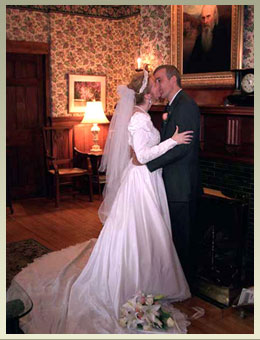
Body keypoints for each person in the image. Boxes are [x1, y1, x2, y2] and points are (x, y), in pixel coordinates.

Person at [7, 71, 193, 334]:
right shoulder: (138, 120)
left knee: (147, 235)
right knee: (143, 234)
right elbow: (140, 157)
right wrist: (171, 141)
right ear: (147, 94)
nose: (158, 87)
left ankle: (152, 281)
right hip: (141, 180)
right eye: (154, 84)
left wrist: (164, 131)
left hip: (148, 180)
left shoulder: (142, 116)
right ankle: (138, 283)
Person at [144, 64, 202, 288]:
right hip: (172, 183)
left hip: (182, 185)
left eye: (159, 80)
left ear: (173, 80)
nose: (157, 85)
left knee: (184, 239)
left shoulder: (185, 105)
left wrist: (149, 165)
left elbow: (183, 148)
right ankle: (177, 284)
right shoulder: (173, 104)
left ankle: (186, 287)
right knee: (175, 238)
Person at [184, 5, 231, 74]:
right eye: (203, 18)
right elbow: (192, 63)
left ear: (215, 16)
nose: (205, 21)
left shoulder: (223, 34)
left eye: (208, 17)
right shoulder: (199, 38)